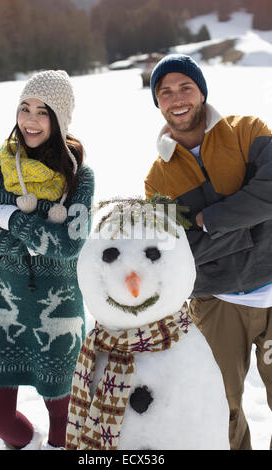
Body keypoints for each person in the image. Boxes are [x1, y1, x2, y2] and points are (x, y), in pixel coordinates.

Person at [145, 54, 272, 450]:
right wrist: (252, 224)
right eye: (165, 92)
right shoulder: (156, 179)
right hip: (215, 302)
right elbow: (176, 251)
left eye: (185, 86)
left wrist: (208, 220)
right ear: (158, 104)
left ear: (202, 91)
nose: (176, 98)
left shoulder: (247, 132)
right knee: (222, 409)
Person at [0, 70, 94, 449]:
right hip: (3, 306)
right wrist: (34, 241)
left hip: (57, 314)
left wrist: (11, 219)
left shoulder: (79, 177)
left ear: (59, 119)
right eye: (24, 108)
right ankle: (26, 443)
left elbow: (69, 246)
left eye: (43, 111)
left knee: (62, 413)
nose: (30, 119)